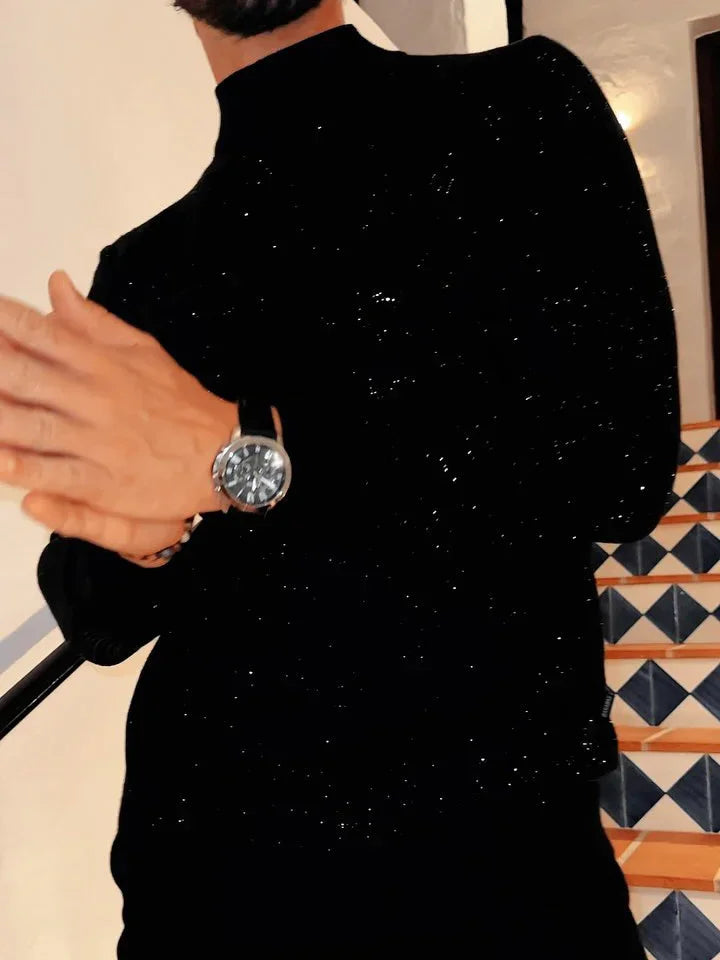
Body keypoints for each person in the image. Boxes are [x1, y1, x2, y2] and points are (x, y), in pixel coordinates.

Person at [0, 1, 679, 955]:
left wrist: (244, 452)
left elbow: (620, 460)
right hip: (203, 890)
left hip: (498, 878)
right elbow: (97, 615)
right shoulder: (143, 273)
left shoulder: (520, 108)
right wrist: (142, 527)